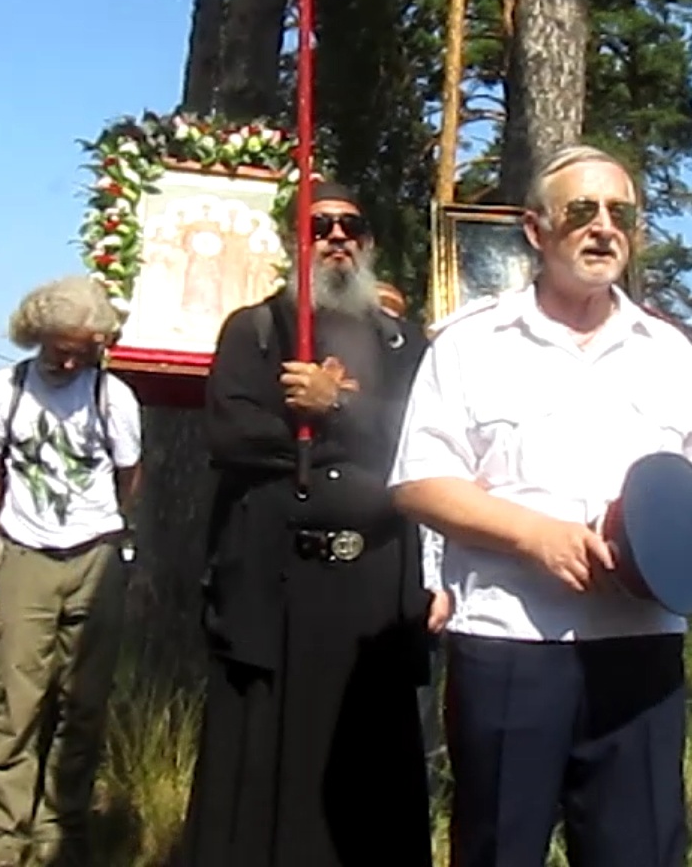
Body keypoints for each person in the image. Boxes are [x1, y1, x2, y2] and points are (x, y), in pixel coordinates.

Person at [389, 146, 692, 867]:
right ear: (535, 228)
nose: (603, 227)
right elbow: (419, 479)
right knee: (499, 849)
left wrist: (652, 542)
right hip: (512, 645)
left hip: (640, 646)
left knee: (642, 853)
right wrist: (533, 537)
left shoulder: (670, 352)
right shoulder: (470, 344)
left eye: (621, 213)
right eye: (582, 210)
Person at [181, 180, 436, 867]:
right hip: (275, 588)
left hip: (374, 591)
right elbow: (233, 436)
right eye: (319, 227)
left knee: (369, 766)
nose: (336, 238)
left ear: (369, 242)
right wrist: (342, 440)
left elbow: (418, 444)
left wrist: (331, 407)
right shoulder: (255, 330)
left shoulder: (405, 344)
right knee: (264, 764)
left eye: (351, 226)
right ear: (295, 242)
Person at [0, 275, 143, 867]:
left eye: (80, 351)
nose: (67, 361)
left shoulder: (113, 398)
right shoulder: (5, 390)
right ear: (35, 334)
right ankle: (1, 839)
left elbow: (129, 476)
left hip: (95, 556)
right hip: (26, 555)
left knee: (84, 704)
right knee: (17, 704)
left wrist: (106, 528)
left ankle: (61, 832)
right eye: (58, 348)